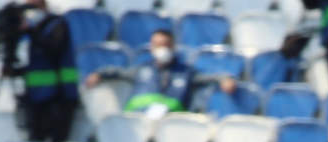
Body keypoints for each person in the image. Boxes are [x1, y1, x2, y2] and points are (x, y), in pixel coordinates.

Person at [83, 30, 237, 116]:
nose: (161, 49)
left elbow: (211, 77)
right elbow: (116, 72)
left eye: (165, 45)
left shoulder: (186, 72)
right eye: (157, 45)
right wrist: (99, 74)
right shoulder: (140, 69)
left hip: (170, 126)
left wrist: (225, 79)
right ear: (151, 47)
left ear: (173, 46)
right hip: (137, 121)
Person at [7, 0, 79, 142]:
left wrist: (32, 31)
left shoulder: (57, 24)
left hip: (60, 96)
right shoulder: (34, 31)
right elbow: (37, 65)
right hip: (36, 97)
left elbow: (52, 49)